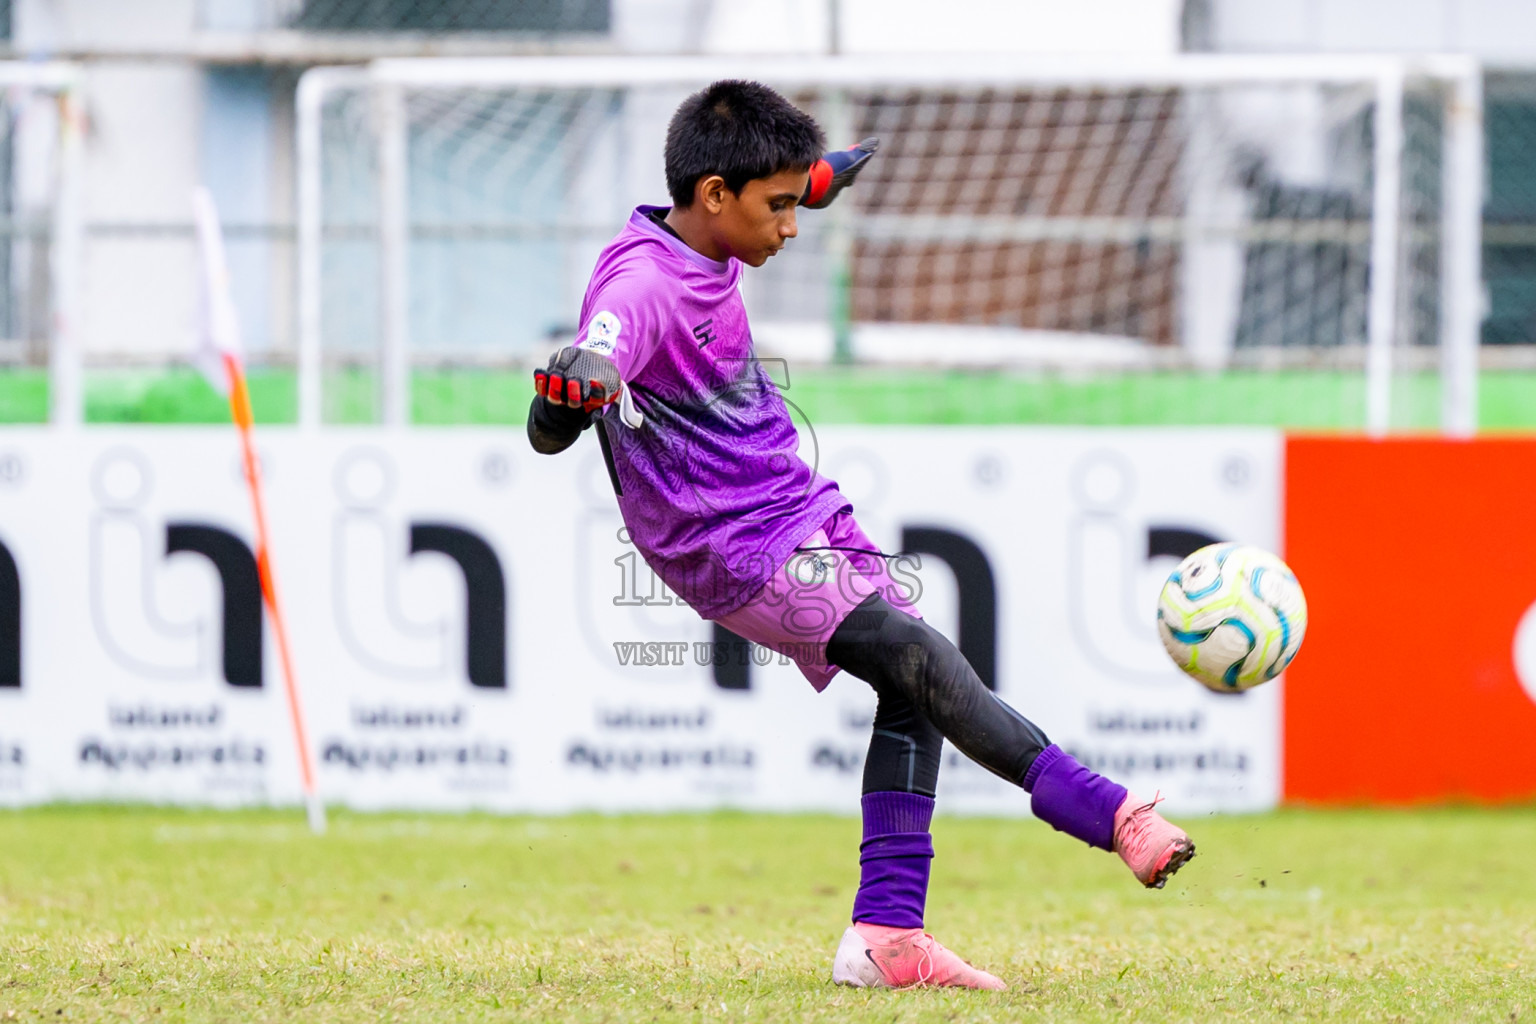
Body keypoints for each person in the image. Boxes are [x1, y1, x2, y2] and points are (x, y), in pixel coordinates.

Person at [527, 79, 1195, 992]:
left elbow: (771, 194)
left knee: (908, 687)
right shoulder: (640, 287)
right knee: (915, 651)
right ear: (715, 195)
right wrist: (567, 392)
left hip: (792, 506)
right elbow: (563, 407)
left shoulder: (709, 225)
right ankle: (1110, 812)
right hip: (731, 544)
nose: (791, 228)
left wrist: (815, 176)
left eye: (796, 204)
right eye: (779, 209)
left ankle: (887, 936)